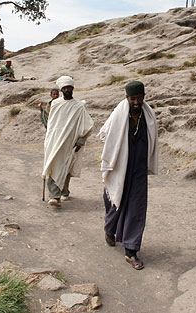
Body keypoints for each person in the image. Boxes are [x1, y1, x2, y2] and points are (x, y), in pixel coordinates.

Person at [98, 80, 158, 270]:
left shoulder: (148, 115)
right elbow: (105, 133)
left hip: (138, 168)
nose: (136, 102)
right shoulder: (118, 114)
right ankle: (110, 230)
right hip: (119, 167)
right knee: (115, 201)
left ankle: (131, 250)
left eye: (140, 98)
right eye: (133, 98)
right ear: (127, 98)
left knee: (137, 206)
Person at [42, 76, 94, 207]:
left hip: (70, 142)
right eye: (64, 88)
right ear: (61, 89)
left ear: (72, 88)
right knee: (53, 165)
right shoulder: (55, 104)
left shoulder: (79, 106)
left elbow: (88, 125)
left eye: (69, 87)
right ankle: (54, 196)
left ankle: (63, 192)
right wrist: (49, 139)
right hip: (55, 141)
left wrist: (81, 141)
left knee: (66, 167)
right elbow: (51, 123)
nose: (67, 90)